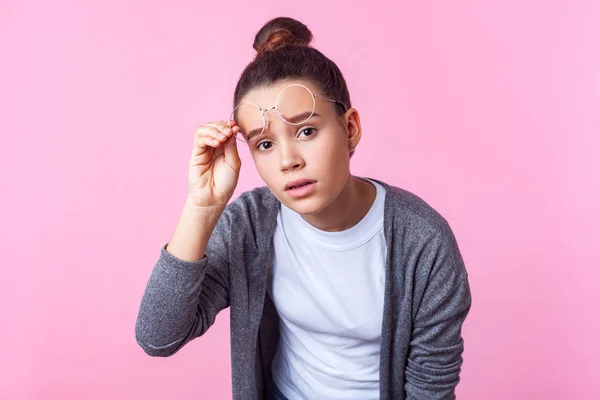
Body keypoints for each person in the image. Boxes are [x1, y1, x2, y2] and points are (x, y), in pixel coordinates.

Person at [135, 16, 472, 400]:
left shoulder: (422, 241)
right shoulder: (251, 224)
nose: (287, 161)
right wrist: (203, 206)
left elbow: (431, 387)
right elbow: (157, 336)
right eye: (264, 144)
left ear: (350, 128)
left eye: (306, 131)